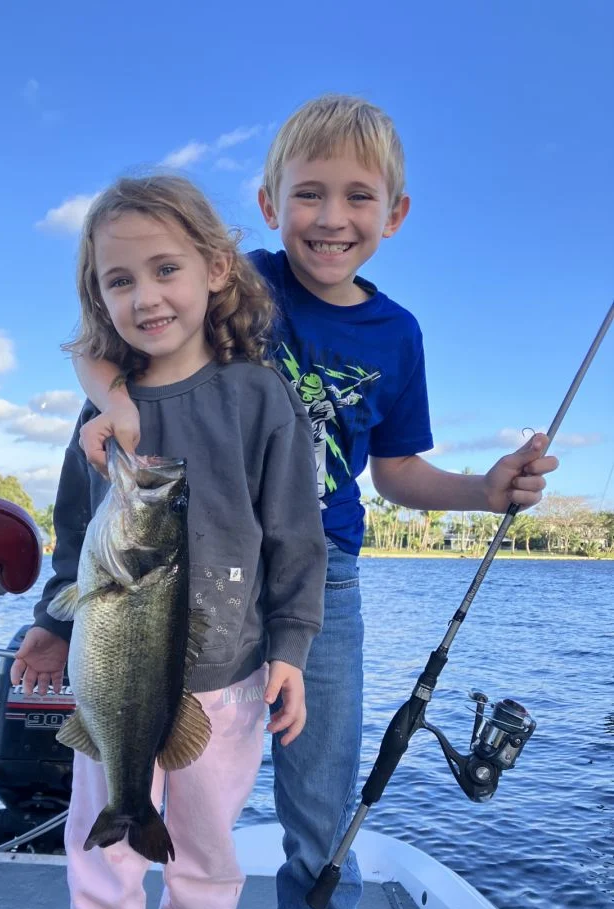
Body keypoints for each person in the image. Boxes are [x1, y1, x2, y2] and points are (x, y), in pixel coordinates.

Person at [72, 95, 560, 909]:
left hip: (324, 572)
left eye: (358, 196)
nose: (332, 218)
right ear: (269, 207)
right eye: (309, 194)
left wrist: (483, 490)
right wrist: (113, 398)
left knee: (321, 784)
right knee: (175, 749)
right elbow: (104, 336)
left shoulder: (398, 334)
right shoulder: (235, 277)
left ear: (394, 214)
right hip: (202, 554)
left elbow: (397, 470)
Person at [10, 173, 327, 909]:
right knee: (101, 841)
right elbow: (75, 535)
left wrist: (291, 649)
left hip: (230, 677)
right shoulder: (101, 408)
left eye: (165, 270)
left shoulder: (258, 397)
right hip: (110, 681)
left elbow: (295, 536)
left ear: (216, 270)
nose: (145, 297)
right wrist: (53, 623)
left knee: (210, 848)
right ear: (100, 297)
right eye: (120, 281)